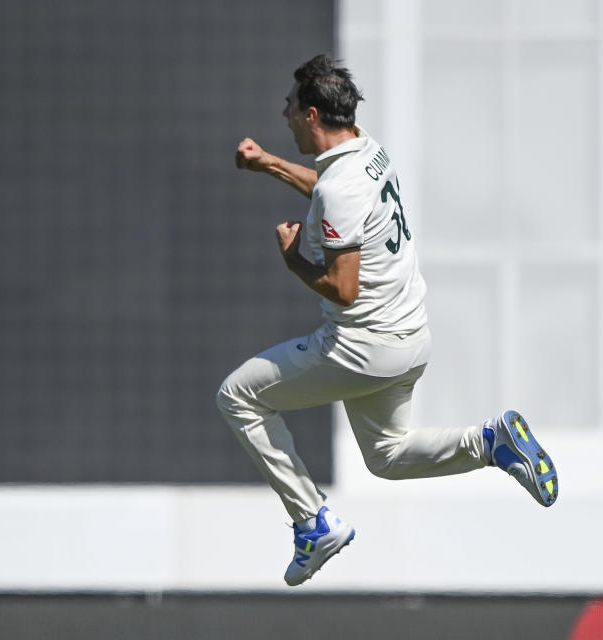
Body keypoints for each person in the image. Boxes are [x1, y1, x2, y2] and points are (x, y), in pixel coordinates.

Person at [217, 54, 558, 586]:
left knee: (237, 396)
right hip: (409, 338)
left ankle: (312, 521)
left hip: (360, 346)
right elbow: (334, 197)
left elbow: (344, 290)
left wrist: (294, 260)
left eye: (289, 107)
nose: (282, 114)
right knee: (389, 456)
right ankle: (491, 442)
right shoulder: (366, 151)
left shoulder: (340, 186)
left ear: (311, 115)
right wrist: (270, 164)